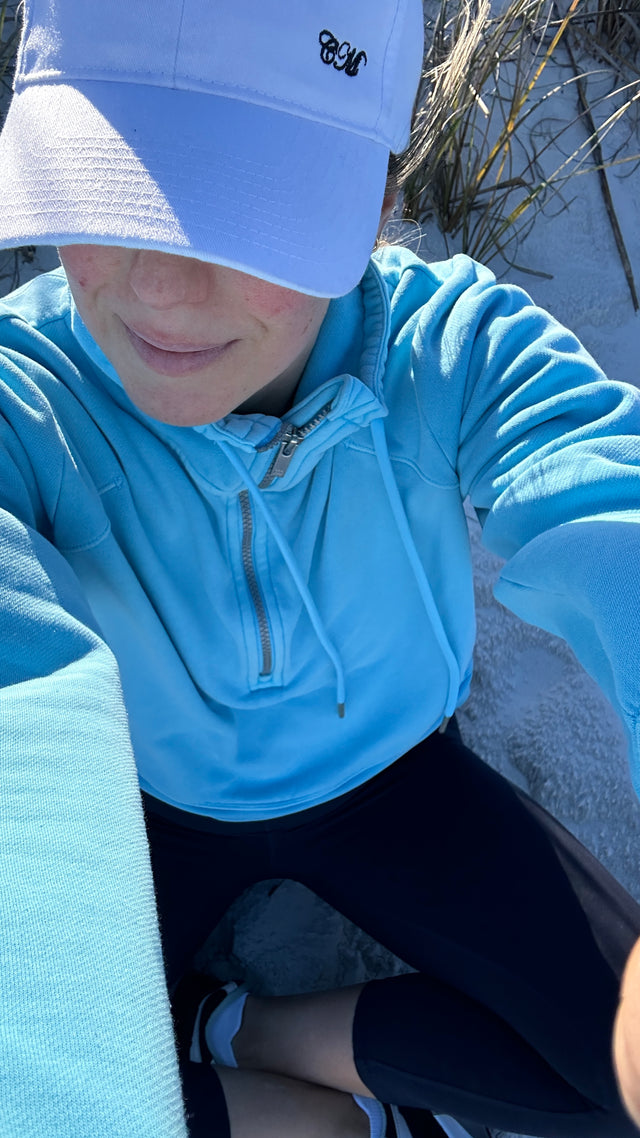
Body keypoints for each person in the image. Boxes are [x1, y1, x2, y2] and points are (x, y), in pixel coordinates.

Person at [0, 0, 640, 1136]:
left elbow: (607, 495)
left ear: (383, 199)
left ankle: (251, 1032)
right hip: (146, 808)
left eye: (248, 211)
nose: (159, 288)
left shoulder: (451, 347)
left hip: (394, 775)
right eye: (111, 183)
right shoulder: (26, 396)